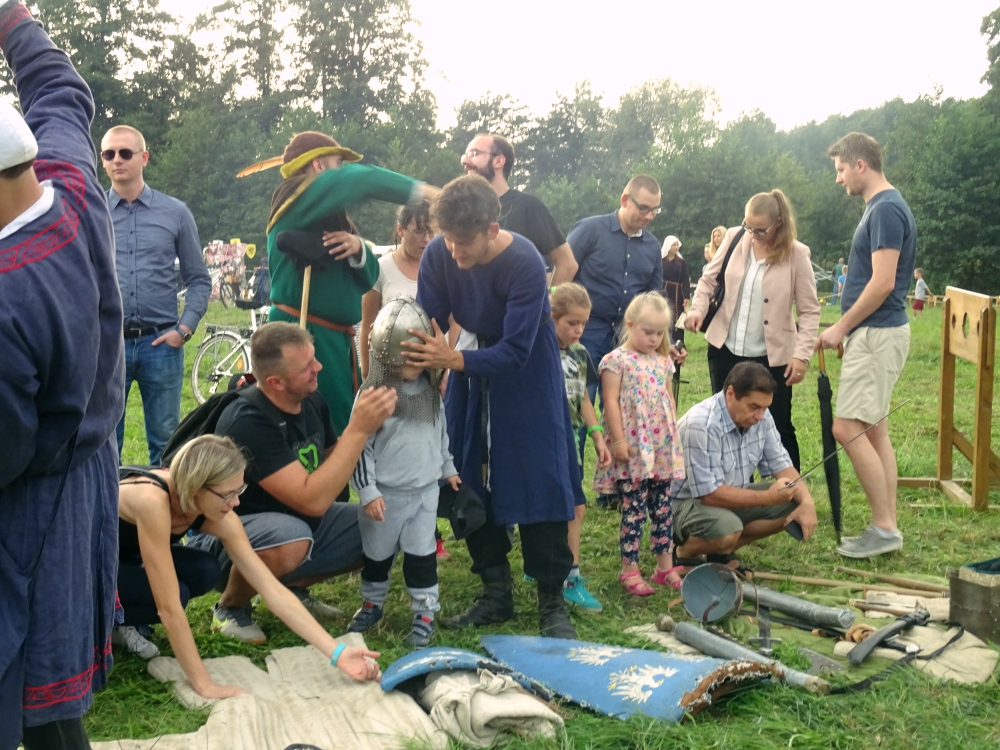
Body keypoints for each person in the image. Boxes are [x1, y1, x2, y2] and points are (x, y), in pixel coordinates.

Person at [0, 4, 125, 747]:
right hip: (89, 470)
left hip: (31, 505)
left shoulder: (6, 297)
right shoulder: (70, 183)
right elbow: (59, 91)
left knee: (25, 672)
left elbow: (4, 451)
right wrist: (14, 21)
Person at [406, 174, 579, 639]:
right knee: (467, 475)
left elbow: (517, 351)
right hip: (468, 367)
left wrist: (453, 360)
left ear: (492, 229)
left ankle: (551, 600)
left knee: (539, 476)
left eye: (464, 242)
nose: (454, 252)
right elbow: (426, 319)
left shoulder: (525, 261)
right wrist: (420, 359)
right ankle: (495, 592)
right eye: (448, 239)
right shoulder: (441, 252)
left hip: (528, 370)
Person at [117, 436, 381, 693]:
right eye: (227, 494)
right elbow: (168, 607)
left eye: (239, 490)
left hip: (126, 556)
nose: (236, 502)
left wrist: (337, 653)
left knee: (204, 570)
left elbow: (272, 591)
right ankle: (105, 623)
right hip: (93, 566)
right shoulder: (152, 502)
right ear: (196, 486)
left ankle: (117, 614)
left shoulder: (208, 506)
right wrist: (204, 684)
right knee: (175, 595)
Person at [190, 322, 397, 642]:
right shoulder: (248, 422)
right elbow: (311, 500)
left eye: (314, 358)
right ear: (276, 382)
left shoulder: (311, 400)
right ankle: (231, 606)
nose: (319, 367)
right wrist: (358, 430)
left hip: (295, 526)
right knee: (292, 537)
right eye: (306, 367)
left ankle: (291, 588)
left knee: (387, 523)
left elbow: (335, 462)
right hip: (225, 541)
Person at [253, 130, 437, 436]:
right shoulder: (297, 198)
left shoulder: (327, 215)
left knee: (340, 424)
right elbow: (361, 179)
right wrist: (433, 194)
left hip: (334, 341)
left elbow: (368, 279)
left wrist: (358, 248)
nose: (343, 169)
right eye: (338, 162)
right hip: (303, 335)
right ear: (318, 165)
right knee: (317, 431)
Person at [817, 132, 917, 559]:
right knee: (875, 430)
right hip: (875, 332)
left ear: (860, 164)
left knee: (846, 427)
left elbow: (882, 283)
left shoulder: (886, 209)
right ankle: (886, 524)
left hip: (878, 333)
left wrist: (842, 327)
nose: (839, 178)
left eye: (841, 169)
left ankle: (884, 527)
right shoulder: (882, 207)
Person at [348, 297, 459, 647]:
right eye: (405, 359)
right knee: (376, 557)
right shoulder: (373, 395)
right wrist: (368, 492)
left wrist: (447, 467)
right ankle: (372, 603)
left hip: (425, 494)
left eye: (417, 359)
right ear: (387, 354)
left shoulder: (429, 393)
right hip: (385, 497)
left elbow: (439, 434)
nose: (413, 366)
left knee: (422, 557)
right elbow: (358, 448)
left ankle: (425, 611)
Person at [685, 190, 820, 471]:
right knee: (725, 422)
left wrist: (801, 356)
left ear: (778, 223)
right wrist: (697, 309)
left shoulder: (797, 254)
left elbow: (809, 311)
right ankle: (733, 487)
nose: (752, 234)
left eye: (760, 230)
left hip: (772, 359)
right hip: (725, 351)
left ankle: (790, 489)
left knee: (779, 426)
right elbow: (708, 281)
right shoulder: (735, 238)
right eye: (748, 226)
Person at [102, 124, 211, 466]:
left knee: (166, 445)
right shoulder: (92, 212)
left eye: (125, 153)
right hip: (108, 346)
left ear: (144, 157)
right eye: (108, 154)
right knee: (104, 442)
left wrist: (184, 329)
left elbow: (199, 279)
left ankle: (162, 502)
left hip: (161, 344)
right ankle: (111, 503)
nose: (117, 160)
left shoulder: (175, 213)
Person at [357, 202, 450, 558]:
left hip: (427, 372)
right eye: (418, 230)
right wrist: (370, 374)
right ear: (400, 230)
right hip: (389, 370)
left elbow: (451, 319)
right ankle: (385, 525)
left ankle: (427, 530)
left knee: (426, 438)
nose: (426, 238)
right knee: (387, 440)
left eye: (431, 231)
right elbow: (368, 325)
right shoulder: (381, 269)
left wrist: (444, 365)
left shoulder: (440, 266)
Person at [671, 363, 818, 569]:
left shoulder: (762, 417)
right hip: (683, 506)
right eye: (754, 407)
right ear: (731, 394)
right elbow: (709, 495)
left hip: (726, 500)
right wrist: (767, 498)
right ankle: (683, 553)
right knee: (728, 529)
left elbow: (782, 464)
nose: (760, 416)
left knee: (795, 501)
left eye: (765, 408)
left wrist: (808, 503)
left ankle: (720, 553)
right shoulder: (701, 424)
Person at [593, 293, 686, 595]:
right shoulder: (616, 361)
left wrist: (672, 435)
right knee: (634, 509)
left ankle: (664, 567)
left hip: (660, 447)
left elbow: (668, 398)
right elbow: (610, 401)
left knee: (663, 508)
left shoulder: (663, 362)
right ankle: (629, 570)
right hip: (633, 447)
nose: (654, 339)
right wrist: (619, 439)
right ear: (630, 325)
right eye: (648, 332)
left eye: (659, 333)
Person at [568, 175, 668, 403]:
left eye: (654, 210)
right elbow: (563, 277)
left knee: (622, 408)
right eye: (644, 208)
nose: (649, 216)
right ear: (625, 200)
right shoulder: (590, 230)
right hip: (585, 332)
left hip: (627, 337)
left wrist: (665, 342)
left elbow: (654, 300)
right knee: (577, 404)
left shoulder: (653, 247)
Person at [549, 283, 612, 611]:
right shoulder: (539, 350)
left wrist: (597, 434)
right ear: (552, 317)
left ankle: (568, 574)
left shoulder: (580, 353)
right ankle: (560, 572)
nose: (578, 330)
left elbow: (584, 397)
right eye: (571, 323)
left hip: (573, 439)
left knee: (576, 506)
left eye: (583, 324)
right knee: (562, 506)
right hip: (545, 440)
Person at [460, 133, 578, 284]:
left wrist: (550, 296)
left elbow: (567, 264)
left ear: (498, 161)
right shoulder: (462, 209)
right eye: (465, 155)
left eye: (474, 154)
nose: (465, 161)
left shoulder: (528, 206)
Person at [660, 235, 690, 345]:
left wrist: (686, 296)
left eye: (677, 245)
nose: (676, 247)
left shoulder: (681, 262)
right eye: (674, 245)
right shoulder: (661, 261)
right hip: (663, 291)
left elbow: (685, 279)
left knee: (676, 317)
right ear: (668, 246)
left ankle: (678, 343)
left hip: (677, 293)